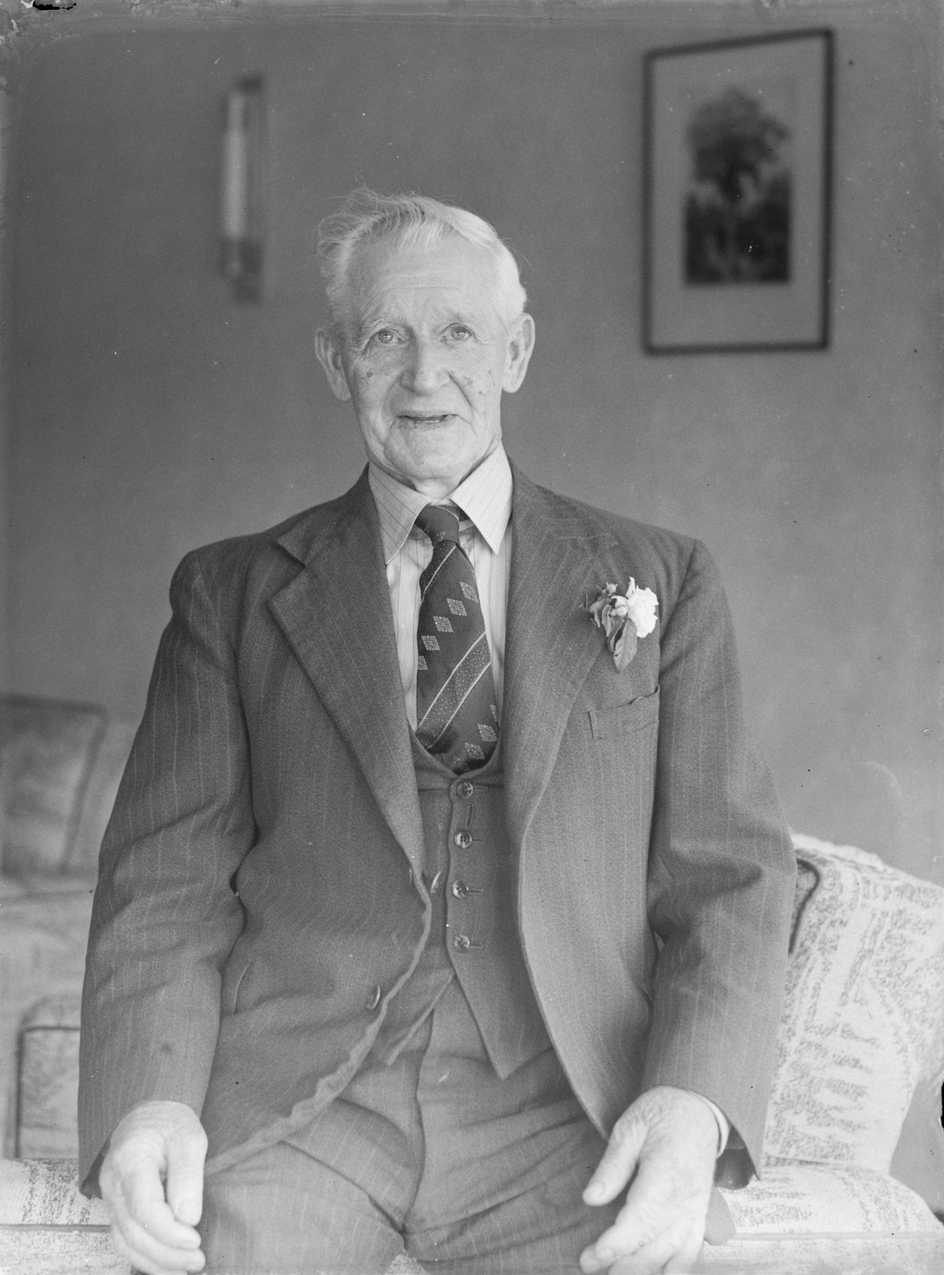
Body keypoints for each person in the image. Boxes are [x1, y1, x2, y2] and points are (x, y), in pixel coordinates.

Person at [78, 189, 796, 1275]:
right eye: (384, 337)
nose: (424, 375)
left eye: (459, 333)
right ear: (336, 363)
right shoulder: (229, 594)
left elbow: (729, 878)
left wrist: (691, 1104)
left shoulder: (663, 579)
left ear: (517, 352)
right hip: (305, 1117)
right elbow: (165, 884)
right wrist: (150, 1106)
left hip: (563, 1119)